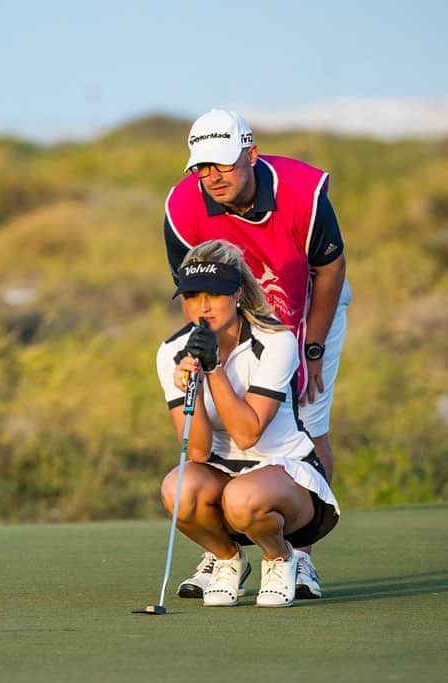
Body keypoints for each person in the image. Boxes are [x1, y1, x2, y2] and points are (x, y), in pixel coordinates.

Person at [163, 108, 351, 599]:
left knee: (308, 416)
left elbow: (330, 269)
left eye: (222, 164)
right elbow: (192, 289)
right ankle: (221, 551)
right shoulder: (182, 208)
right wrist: (204, 362)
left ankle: (301, 556)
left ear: (251, 154)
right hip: (232, 309)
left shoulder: (302, 194)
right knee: (229, 424)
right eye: (202, 167)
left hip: (307, 305)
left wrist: (311, 348)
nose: (212, 177)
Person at [156, 239, 339, 607]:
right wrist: (193, 385)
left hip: (286, 477)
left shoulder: (275, 341)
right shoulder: (171, 352)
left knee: (243, 497)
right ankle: (227, 560)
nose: (202, 307)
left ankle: (281, 559)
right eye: (192, 296)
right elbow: (197, 450)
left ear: (238, 292)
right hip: (220, 473)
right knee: (177, 489)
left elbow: (247, 431)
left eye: (214, 294)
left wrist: (214, 371)